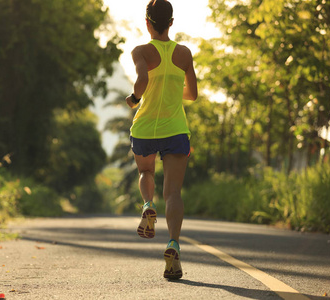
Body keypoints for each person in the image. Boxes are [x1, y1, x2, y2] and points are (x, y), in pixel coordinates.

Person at [126, 0, 197, 280]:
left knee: (145, 172)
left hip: (145, 127)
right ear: (171, 23)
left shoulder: (140, 51)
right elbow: (192, 94)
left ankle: (147, 206)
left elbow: (142, 79)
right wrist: (170, 89)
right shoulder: (184, 53)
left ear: (147, 23)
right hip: (175, 129)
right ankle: (173, 244)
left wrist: (135, 98)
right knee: (174, 193)